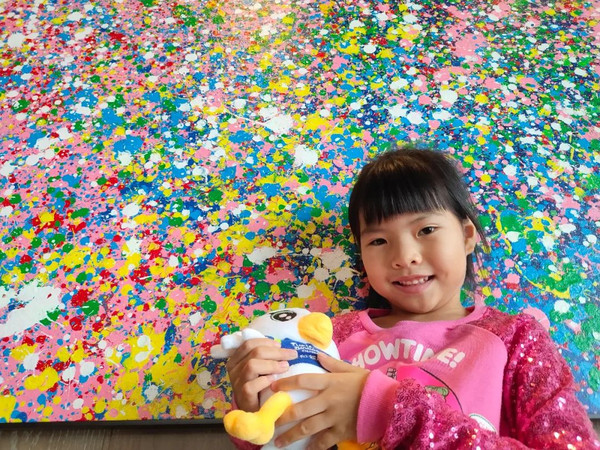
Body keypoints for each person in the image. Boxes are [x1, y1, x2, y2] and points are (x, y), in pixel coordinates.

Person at [224, 146, 600, 449]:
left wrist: (389, 412)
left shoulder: (516, 338)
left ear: (467, 235)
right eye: (378, 240)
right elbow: (289, 437)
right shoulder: (329, 337)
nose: (404, 257)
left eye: (426, 229)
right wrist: (255, 406)